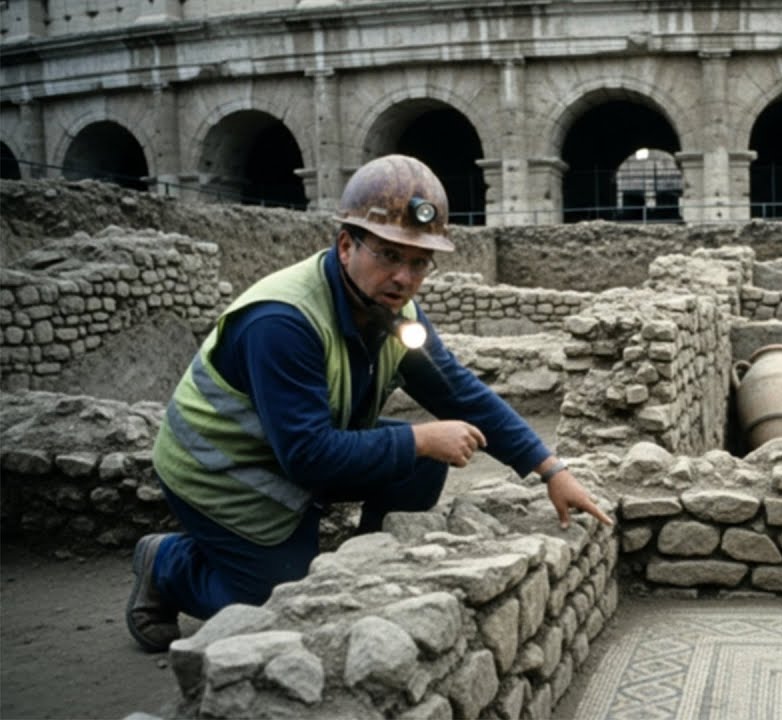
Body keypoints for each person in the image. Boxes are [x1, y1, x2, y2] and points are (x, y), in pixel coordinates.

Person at [127, 154, 612, 653]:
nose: (404, 277)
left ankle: (364, 574)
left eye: (419, 262)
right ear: (345, 246)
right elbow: (307, 456)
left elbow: (457, 390)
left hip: (294, 448)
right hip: (224, 469)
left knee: (418, 467)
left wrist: (550, 468)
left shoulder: (391, 309)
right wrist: (418, 437)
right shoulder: (282, 322)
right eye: (388, 255)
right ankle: (166, 564)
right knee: (277, 601)